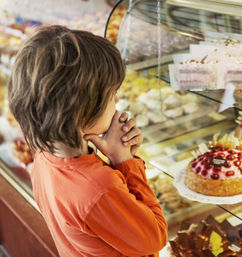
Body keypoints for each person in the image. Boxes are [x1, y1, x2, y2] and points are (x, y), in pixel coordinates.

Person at [7, 25, 168, 257]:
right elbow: (155, 237)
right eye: (112, 94)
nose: (117, 99)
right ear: (81, 111)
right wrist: (125, 161)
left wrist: (111, 154)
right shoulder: (99, 187)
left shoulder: (44, 156)